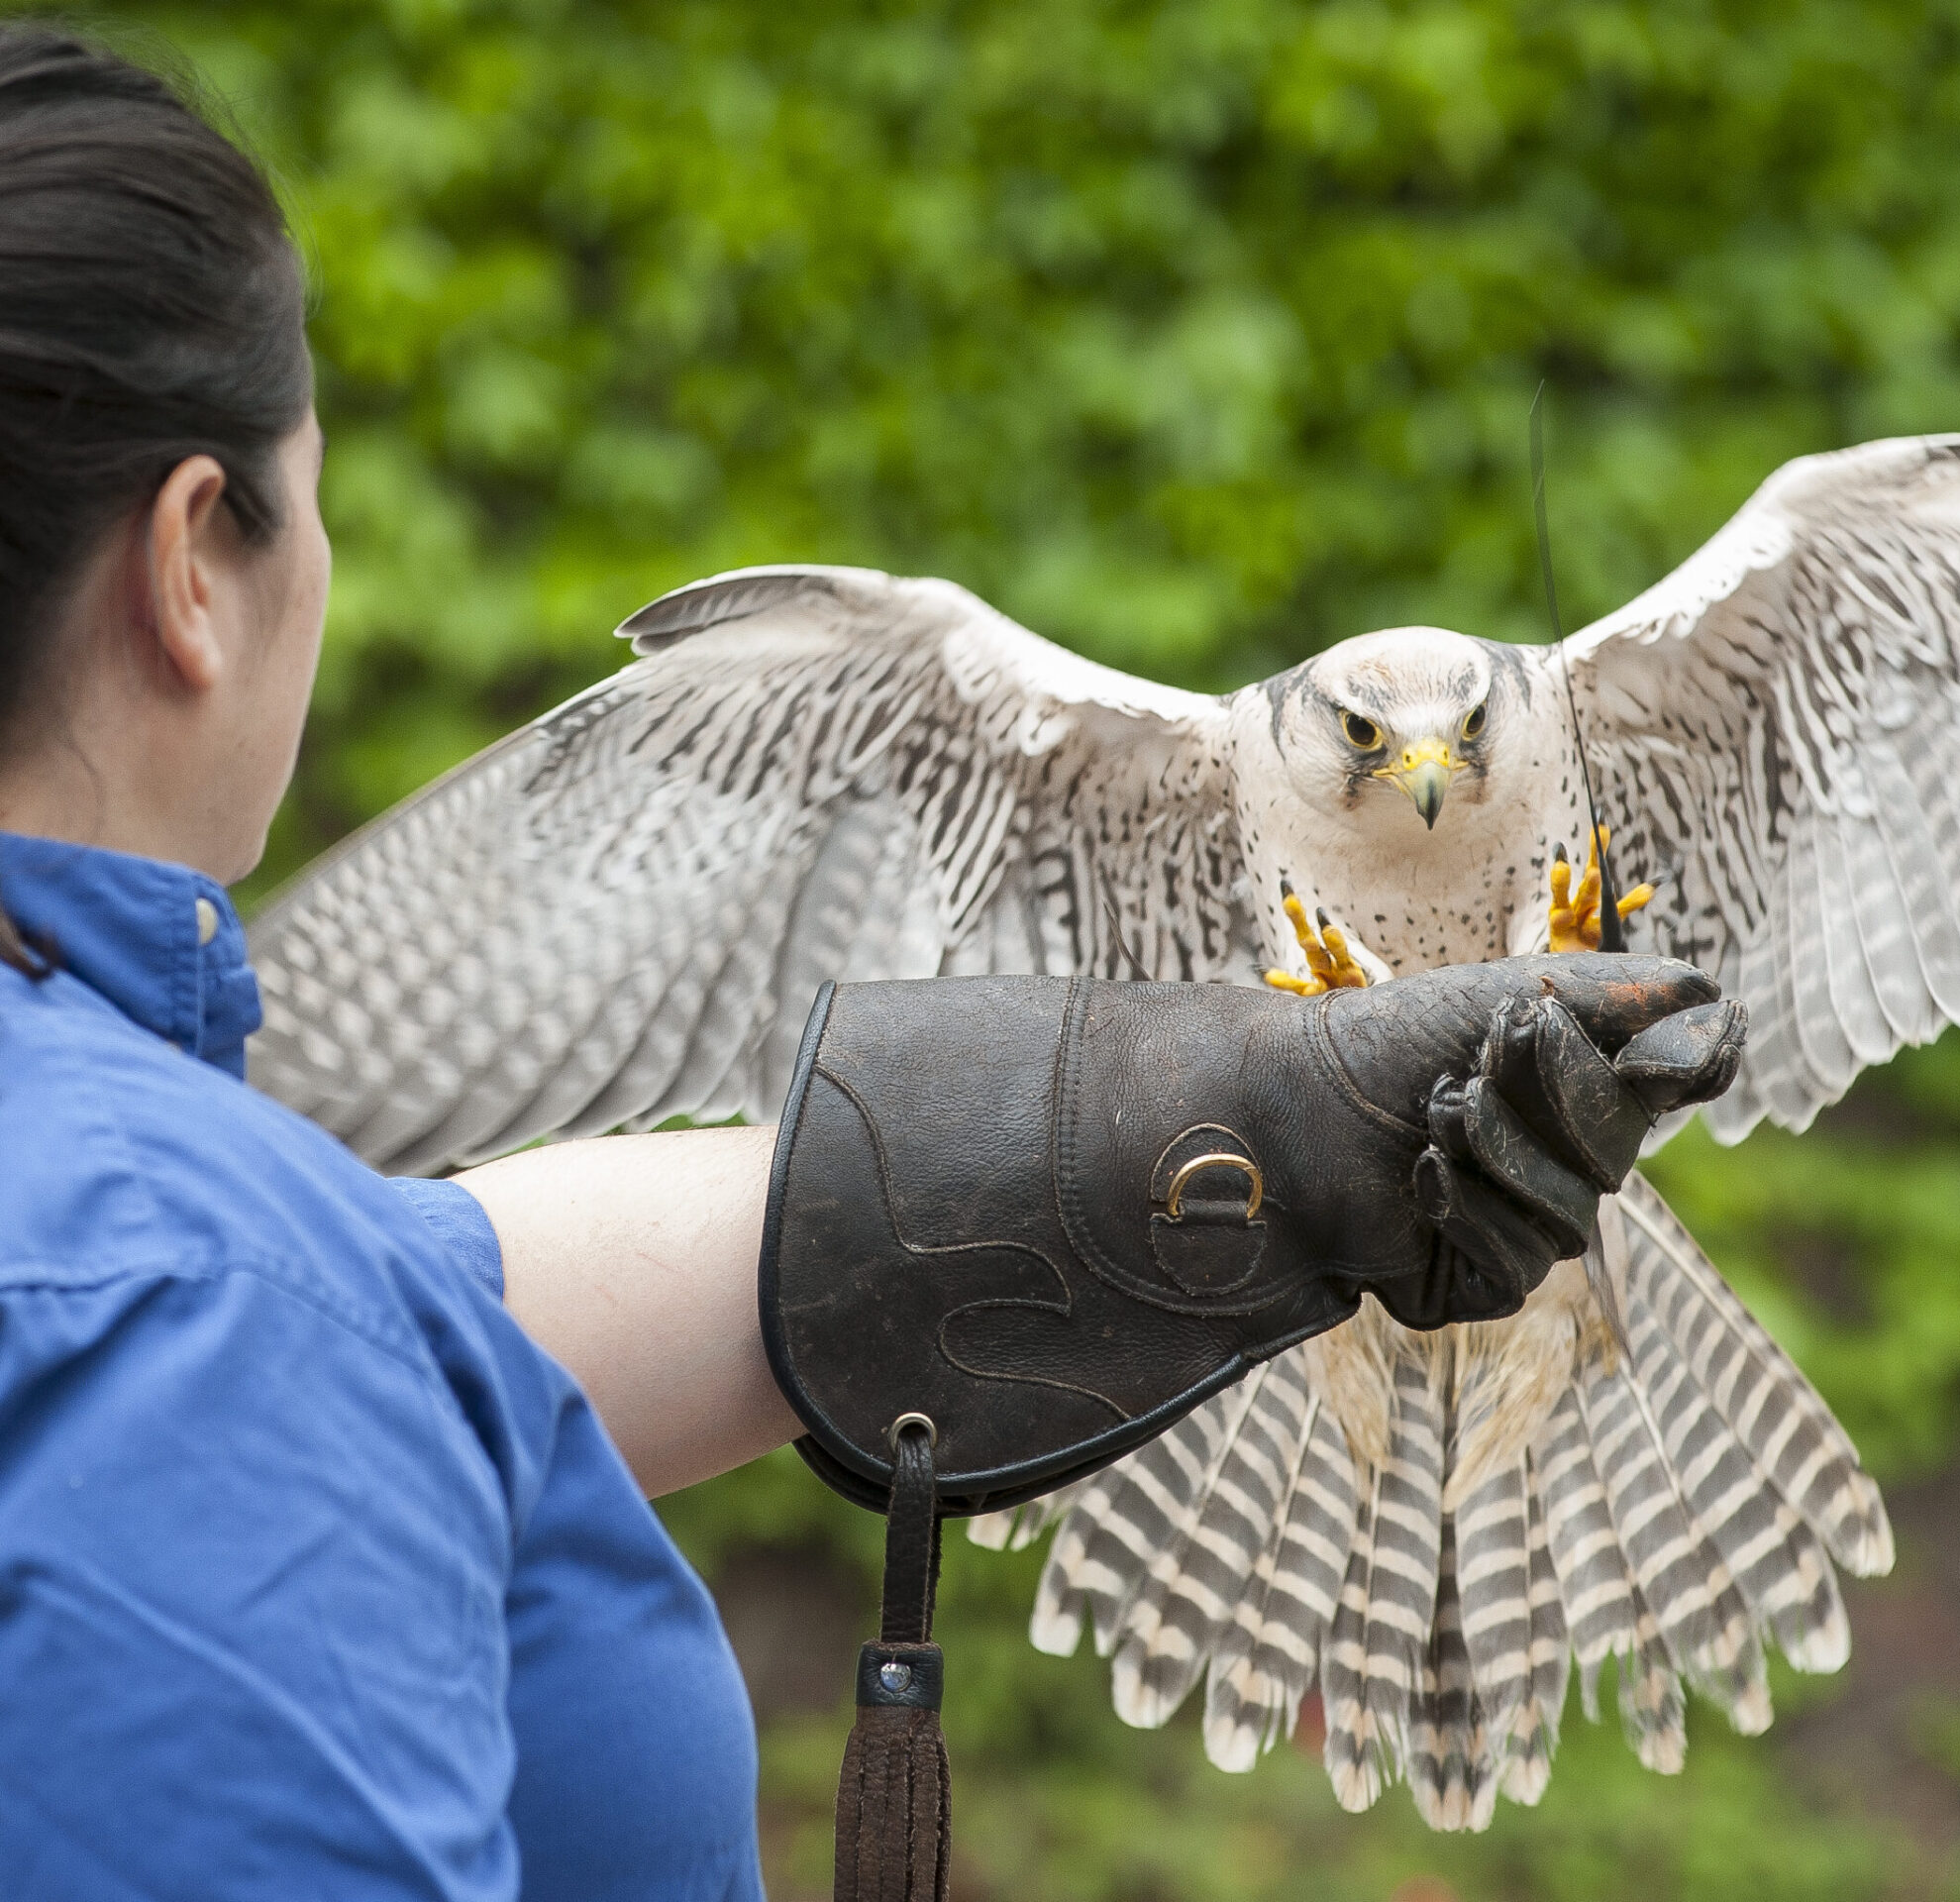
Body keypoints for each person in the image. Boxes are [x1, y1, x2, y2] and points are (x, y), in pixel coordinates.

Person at [0, 29, 1739, 1902]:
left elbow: (419, 1304)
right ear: (196, 561)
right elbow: (241, 1313)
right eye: (311, 489)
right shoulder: (179, 1295)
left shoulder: (163, 1234)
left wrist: (1225, 1136)